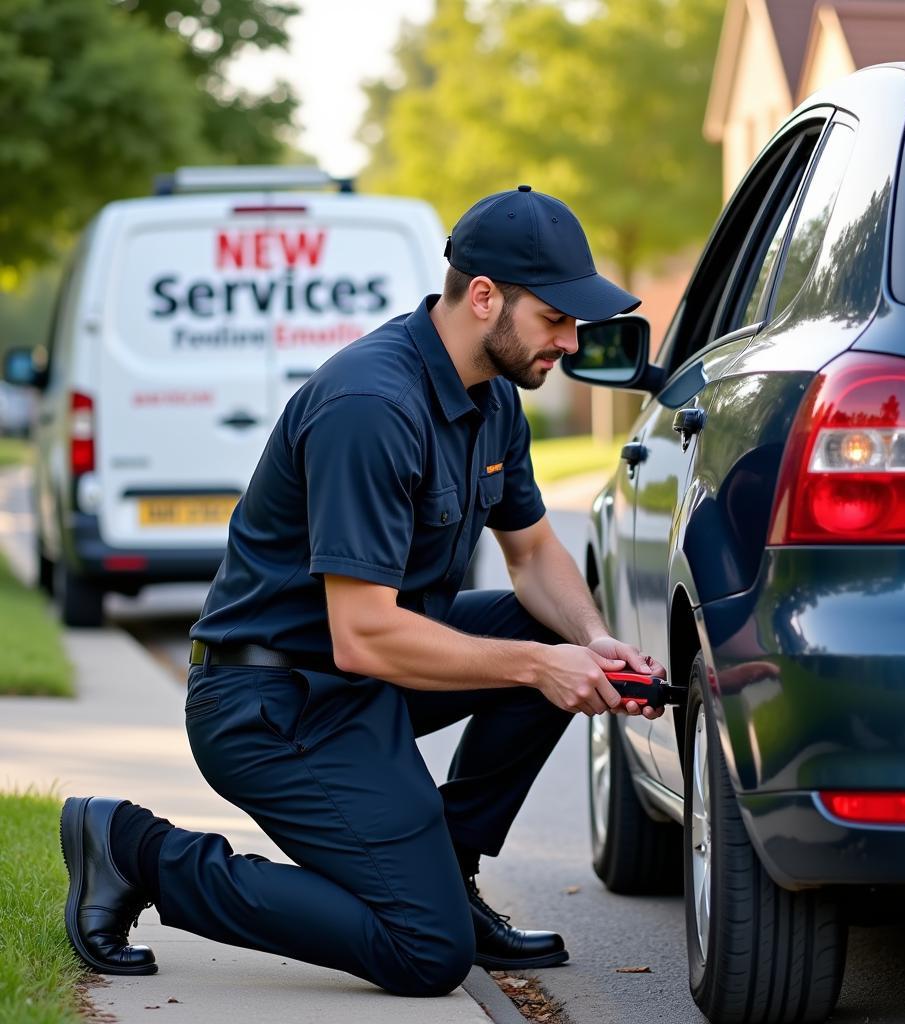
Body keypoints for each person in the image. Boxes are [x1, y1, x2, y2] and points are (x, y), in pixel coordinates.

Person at [60, 186, 668, 997]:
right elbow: (363, 635)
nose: (570, 340)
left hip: (363, 684)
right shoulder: (372, 407)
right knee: (425, 953)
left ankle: (445, 876)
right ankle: (136, 849)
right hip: (273, 704)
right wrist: (536, 666)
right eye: (556, 318)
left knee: (546, 633)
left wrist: (589, 643)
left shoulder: (494, 399)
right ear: (483, 296)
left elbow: (532, 556)